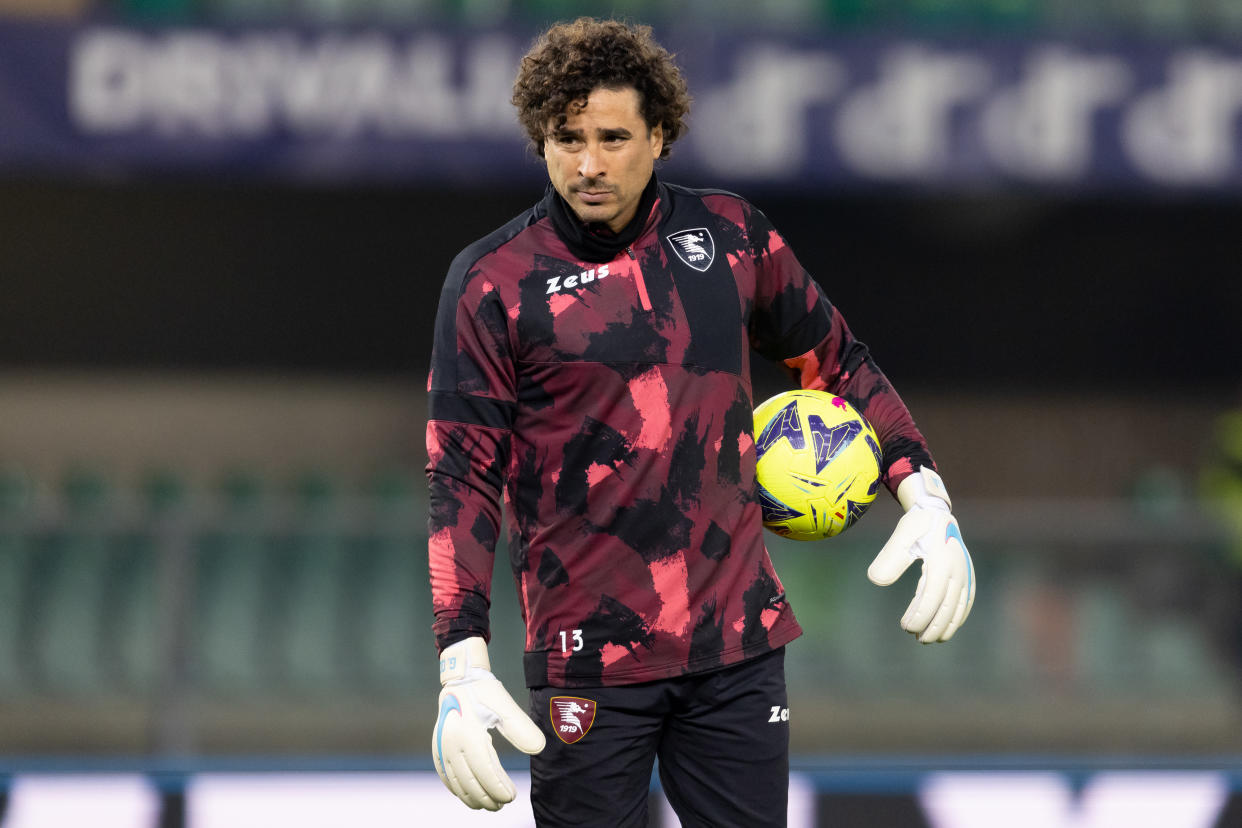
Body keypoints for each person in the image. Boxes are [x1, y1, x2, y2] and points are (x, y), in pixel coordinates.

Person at [426, 18, 975, 827]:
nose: (587, 163)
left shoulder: (729, 236)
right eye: (566, 137)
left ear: (661, 136)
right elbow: (460, 473)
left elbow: (837, 361)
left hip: (735, 654)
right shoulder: (490, 281)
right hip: (589, 663)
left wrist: (920, 486)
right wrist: (460, 654)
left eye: (613, 137)